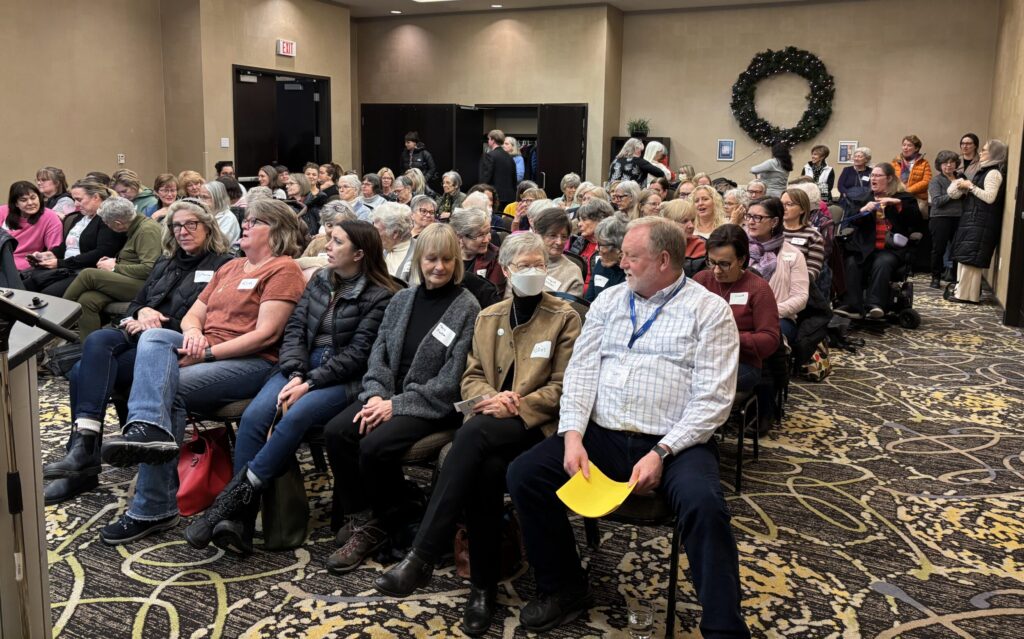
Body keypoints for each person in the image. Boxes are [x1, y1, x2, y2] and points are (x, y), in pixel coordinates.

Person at [505, 217, 749, 637]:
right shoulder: (609, 302)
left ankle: (724, 628)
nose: (622, 264)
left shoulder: (709, 311)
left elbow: (713, 401)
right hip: (603, 435)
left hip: (676, 444)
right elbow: (581, 374)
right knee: (525, 474)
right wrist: (572, 436)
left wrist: (662, 452)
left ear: (664, 260)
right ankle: (564, 586)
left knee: (706, 504)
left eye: (632, 257)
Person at [373, 232, 581, 635]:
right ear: (506, 270)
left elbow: (565, 384)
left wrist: (515, 404)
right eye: (523, 265)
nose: (533, 271)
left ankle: (422, 555)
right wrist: (491, 398)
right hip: (490, 423)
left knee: (469, 439)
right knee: (484, 472)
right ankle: (482, 588)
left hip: (536, 425)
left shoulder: (564, 317)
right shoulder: (490, 317)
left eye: (539, 264)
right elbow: (471, 376)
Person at [97, 199, 307, 544]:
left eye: (255, 221)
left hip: (252, 361)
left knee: (169, 389)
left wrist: (207, 354)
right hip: (206, 348)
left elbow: (266, 335)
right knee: (154, 336)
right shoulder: (232, 267)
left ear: (277, 231)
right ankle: (148, 429)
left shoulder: (283, 270)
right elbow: (195, 314)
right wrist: (194, 333)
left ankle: (152, 508)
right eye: (247, 219)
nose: (245, 225)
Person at [185, 220, 401, 555]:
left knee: (294, 416)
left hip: (344, 378)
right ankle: (240, 524)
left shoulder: (381, 295)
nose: (327, 246)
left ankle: (227, 509)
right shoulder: (319, 280)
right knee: (254, 417)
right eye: (330, 239)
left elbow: (359, 355)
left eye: (337, 241)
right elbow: (295, 331)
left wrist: (310, 382)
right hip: (300, 367)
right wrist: (298, 374)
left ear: (359, 254)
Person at [42, 200, 232, 504]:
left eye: (190, 224)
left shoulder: (224, 265)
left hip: (172, 343)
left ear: (208, 227)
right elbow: (137, 303)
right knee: (98, 339)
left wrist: (158, 322)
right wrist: (142, 312)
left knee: (80, 371)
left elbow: (218, 320)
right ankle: (84, 448)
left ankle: (83, 460)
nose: (182, 231)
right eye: (176, 226)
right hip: (138, 334)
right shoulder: (166, 262)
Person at [322, 223, 480, 573]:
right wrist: (378, 395)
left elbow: (452, 380)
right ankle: (366, 520)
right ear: (419, 260)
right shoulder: (402, 298)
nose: (439, 267)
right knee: (336, 432)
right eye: (431, 259)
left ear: (457, 263)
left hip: (430, 404)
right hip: (385, 394)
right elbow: (378, 353)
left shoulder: (467, 307)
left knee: (373, 446)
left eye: (447, 260)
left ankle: (395, 516)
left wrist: (395, 405)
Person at [695, 224, 780, 392]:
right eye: (712, 262)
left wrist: (730, 338)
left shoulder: (758, 288)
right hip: (701, 356)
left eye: (724, 264)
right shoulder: (701, 280)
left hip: (741, 361)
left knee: (704, 384)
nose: (716, 271)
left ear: (741, 260)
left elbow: (770, 339)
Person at [63, 197, 163, 338]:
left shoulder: (147, 231)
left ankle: (58, 317)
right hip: (132, 280)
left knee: (88, 274)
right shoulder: (136, 227)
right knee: (86, 300)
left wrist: (115, 267)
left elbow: (150, 269)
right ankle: (89, 345)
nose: (106, 225)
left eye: (106, 223)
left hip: (147, 286)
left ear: (118, 223)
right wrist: (115, 262)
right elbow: (136, 258)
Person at [835, 163, 921, 319]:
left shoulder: (904, 198)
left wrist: (897, 204)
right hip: (864, 247)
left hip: (890, 249)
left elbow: (915, 221)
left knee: (882, 262)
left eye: (877, 175)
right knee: (852, 262)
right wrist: (863, 210)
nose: (873, 178)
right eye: (872, 175)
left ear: (889, 178)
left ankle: (875, 305)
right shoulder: (864, 198)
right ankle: (852, 306)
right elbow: (853, 221)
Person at [22, 180, 127, 297]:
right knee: (22, 283)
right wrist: (50, 254)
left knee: (47, 295)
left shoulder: (108, 219)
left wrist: (61, 263)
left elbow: (102, 253)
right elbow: (67, 245)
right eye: (74, 199)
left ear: (96, 197)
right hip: (67, 268)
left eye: (79, 199)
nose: (76, 204)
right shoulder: (80, 216)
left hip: (85, 271)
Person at [948, 139, 1008, 304]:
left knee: (971, 259)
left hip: (982, 221)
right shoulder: (985, 171)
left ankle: (967, 296)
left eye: (984, 150)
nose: (980, 153)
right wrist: (964, 187)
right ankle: (964, 294)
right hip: (975, 219)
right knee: (966, 257)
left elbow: (989, 197)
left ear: (994, 153)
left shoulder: (993, 173)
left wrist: (971, 187)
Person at [744, 197, 808, 343]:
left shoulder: (793, 254)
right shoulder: (739, 249)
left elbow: (801, 297)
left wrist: (769, 312)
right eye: (749, 216)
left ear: (774, 222)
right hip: (741, 313)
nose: (751, 222)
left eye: (758, 217)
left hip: (778, 317)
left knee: (763, 338)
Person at [0, 181, 63, 271]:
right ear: (16, 203)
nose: (30, 203)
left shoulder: (50, 217)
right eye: (23, 200)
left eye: (33, 198)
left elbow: (55, 248)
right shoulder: (2, 211)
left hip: (26, 266)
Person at [525, 207, 584, 298]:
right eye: (553, 235)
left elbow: (570, 306)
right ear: (537, 234)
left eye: (564, 237)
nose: (559, 242)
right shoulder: (522, 261)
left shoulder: (573, 272)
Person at [927, 150, 964, 288]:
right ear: (940, 165)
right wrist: (953, 194)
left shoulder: (961, 178)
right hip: (940, 218)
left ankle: (955, 278)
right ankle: (935, 278)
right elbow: (937, 201)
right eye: (945, 163)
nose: (948, 165)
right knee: (939, 249)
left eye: (951, 162)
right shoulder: (935, 181)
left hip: (959, 217)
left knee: (958, 250)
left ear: (956, 164)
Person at [452, 207, 505, 296]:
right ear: (460, 237)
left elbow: (492, 296)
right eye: (480, 235)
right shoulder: (446, 255)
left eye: (488, 232)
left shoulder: (495, 257)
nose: (487, 240)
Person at [780, 188, 826, 283]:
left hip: (797, 285)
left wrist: (789, 281)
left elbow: (813, 271)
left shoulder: (813, 236)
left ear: (802, 209)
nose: (783, 208)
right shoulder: (772, 231)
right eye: (781, 204)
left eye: (789, 204)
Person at [569, 199, 614, 292]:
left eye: (584, 219)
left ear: (601, 220)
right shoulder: (579, 242)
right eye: (579, 220)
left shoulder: (611, 247)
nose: (579, 224)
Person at [585, 214, 627, 302]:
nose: (596, 248)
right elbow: (588, 300)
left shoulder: (631, 273)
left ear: (619, 247)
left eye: (601, 244)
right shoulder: (600, 263)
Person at [371, 202, 416, 283]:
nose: (373, 234)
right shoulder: (377, 249)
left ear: (395, 233)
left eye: (376, 230)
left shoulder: (418, 254)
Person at [660, 198, 707, 277]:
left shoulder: (701, 246)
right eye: (684, 221)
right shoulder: (656, 244)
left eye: (692, 220)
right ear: (668, 222)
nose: (691, 226)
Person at [890, 135, 932, 214]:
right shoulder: (895, 162)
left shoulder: (924, 163)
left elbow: (927, 181)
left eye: (909, 145)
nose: (905, 148)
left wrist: (908, 191)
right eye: (904, 145)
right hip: (897, 198)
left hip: (917, 200)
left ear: (916, 148)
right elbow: (890, 179)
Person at [479, 129, 518, 205]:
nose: (488, 141)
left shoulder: (489, 156)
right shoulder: (510, 157)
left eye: (489, 139)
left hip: (494, 197)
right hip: (510, 197)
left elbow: (485, 178)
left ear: (493, 140)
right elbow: (514, 179)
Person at [199, 180, 241, 244]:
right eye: (199, 197)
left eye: (205, 197)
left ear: (217, 199)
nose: (200, 201)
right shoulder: (205, 213)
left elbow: (219, 244)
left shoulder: (228, 218)